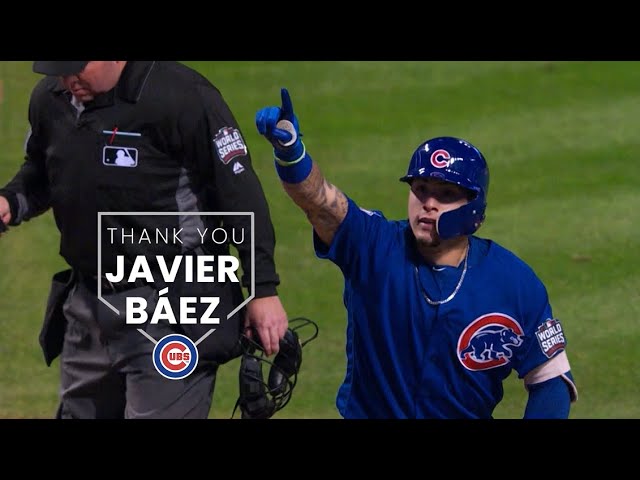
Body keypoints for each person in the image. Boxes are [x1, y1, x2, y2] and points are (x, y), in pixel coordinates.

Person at [254, 87, 578, 419]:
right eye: (420, 190)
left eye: (446, 194)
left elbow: (550, 380)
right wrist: (291, 151)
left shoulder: (514, 283)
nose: (428, 203)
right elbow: (320, 202)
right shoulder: (373, 245)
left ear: (474, 208)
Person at [0, 61, 288, 419]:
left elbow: (239, 193)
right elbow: (43, 171)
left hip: (170, 305)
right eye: (59, 69)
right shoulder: (51, 99)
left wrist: (263, 288)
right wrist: (10, 202)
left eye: (76, 67)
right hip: (90, 303)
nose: (67, 80)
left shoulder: (182, 97)